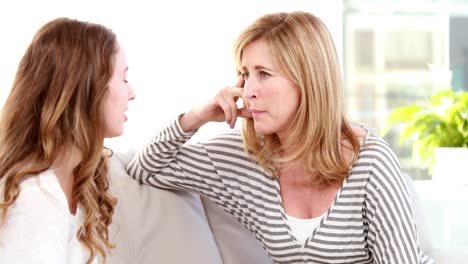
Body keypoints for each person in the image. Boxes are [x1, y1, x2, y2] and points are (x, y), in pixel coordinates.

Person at [127, 11, 433, 263]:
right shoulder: (245, 157)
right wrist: (196, 116)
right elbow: (146, 168)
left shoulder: (370, 161)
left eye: (264, 73)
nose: (248, 91)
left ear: (307, 80)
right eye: (244, 74)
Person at [0, 17, 135, 264]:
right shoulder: (36, 199)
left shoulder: (75, 181)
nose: (132, 93)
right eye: (124, 79)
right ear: (89, 86)